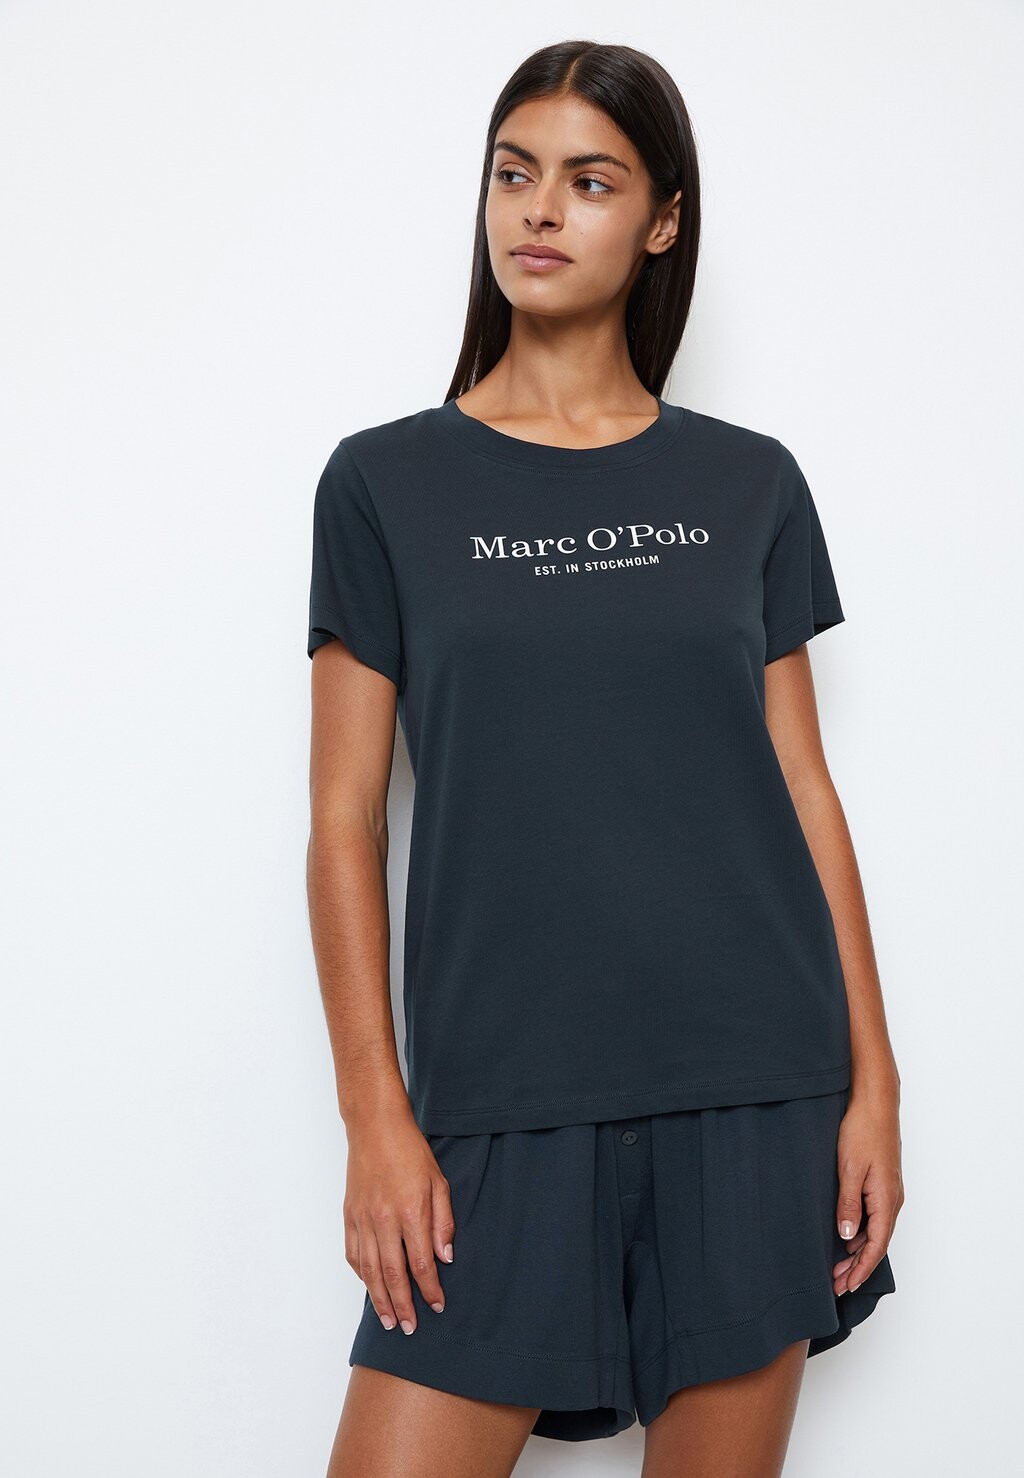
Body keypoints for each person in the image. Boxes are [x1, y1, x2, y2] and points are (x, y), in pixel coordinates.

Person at [306, 39, 903, 1478]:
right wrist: (374, 1116)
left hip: (751, 1083)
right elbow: (342, 818)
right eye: (515, 174)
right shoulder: (384, 483)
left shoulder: (749, 483)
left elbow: (804, 789)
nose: (539, 209)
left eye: (590, 181)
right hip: (499, 1103)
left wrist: (872, 1084)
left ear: (662, 221)